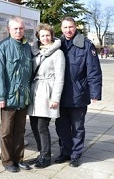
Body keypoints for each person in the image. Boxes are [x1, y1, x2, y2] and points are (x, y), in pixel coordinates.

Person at [55, 17, 102, 167]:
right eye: (65, 27)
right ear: (61, 29)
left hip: (78, 94)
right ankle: (65, 152)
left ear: (76, 28)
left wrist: (95, 93)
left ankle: (75, 155)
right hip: (60, 94)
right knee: (61, 126)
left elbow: (94, 71)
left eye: (71, 27)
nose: (68, 30)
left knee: (77, 127)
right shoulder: (57, 44)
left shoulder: (86, 45)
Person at [0, 16, 32, 173]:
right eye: (15, 28)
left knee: (20, 130)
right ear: (8, 30)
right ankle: (7, 161)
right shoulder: (3, 47)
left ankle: (18, 158)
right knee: (7, 131)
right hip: (9, 97)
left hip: (23, 97)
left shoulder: (27, 47)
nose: (18, 31)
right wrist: (0, 96)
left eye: (21, 28)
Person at [27, 23, 65, 168]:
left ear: (52, 36)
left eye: (48, 35)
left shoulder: (58, 53)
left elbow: (60, 77)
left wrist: (55, 98)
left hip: (47, 92)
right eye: (42, 35)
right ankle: (41, 153)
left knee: (42, 126)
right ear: (38, 36)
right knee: (34, 125)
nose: (45, 38)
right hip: (34, 91)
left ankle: (46, 156)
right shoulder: (34, 51)